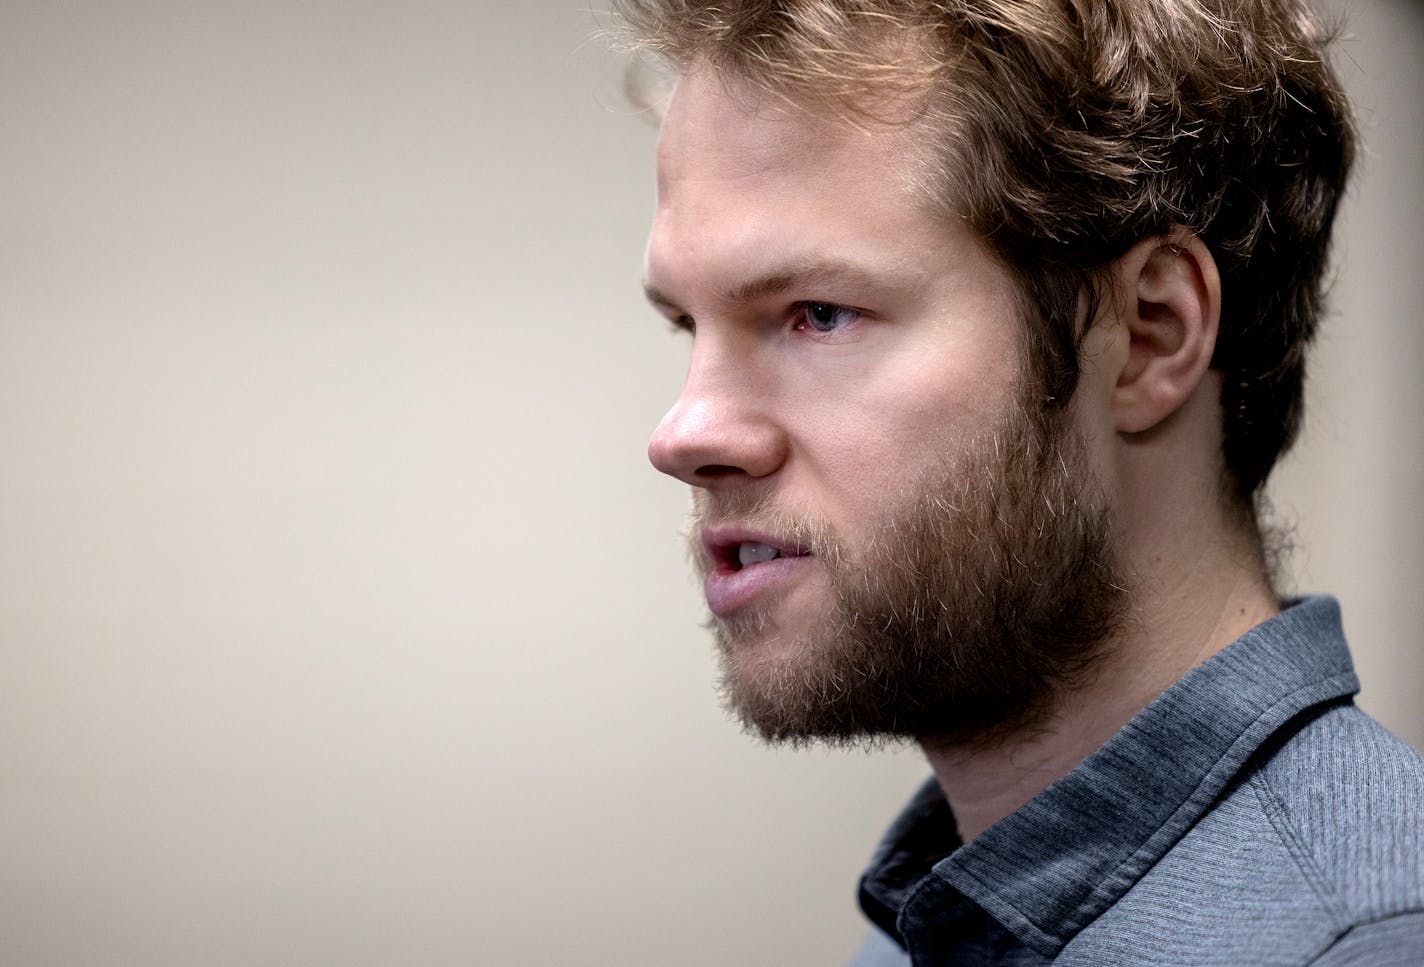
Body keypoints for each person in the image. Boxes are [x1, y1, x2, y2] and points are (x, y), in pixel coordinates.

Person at [617, 0, 1424, 962]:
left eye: (819, 313)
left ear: (1150, 337)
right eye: (685, 325)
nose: (685, 432)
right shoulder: (929, 924)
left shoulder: (1360, 944)